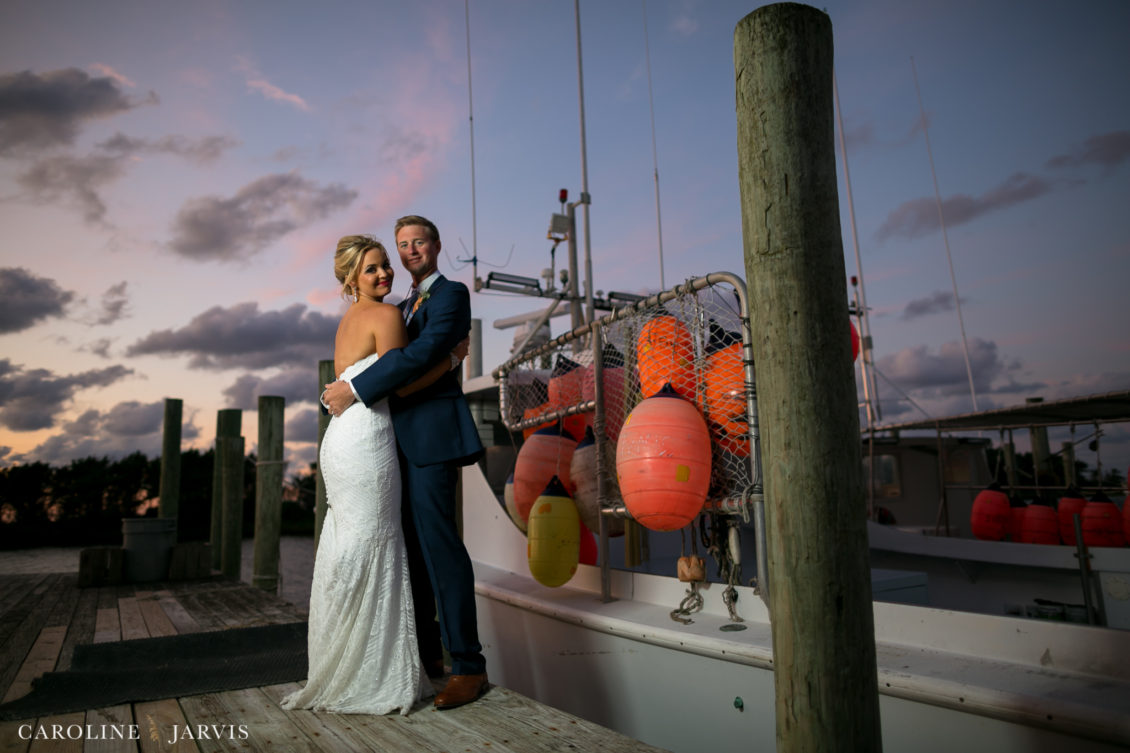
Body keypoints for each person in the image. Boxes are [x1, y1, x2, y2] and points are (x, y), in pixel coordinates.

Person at [281, 234, 461, 715]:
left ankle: (343, 661)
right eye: (372, 270)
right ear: (350, 278)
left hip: (341, 441)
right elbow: (400, 383)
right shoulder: (385, 316)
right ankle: (372, 671)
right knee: (378, 543)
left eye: (386, 267)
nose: (384, 275)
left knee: (349, 543)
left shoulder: (347, 321)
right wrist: (451, 359)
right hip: (369, 442)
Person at [322, 215, 487, 710]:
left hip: (430, 440)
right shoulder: (398, 306)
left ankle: (468, 666)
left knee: (440, 548)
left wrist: (355, 388)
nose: (410, 251)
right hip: (389, 442)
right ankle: (426, 654)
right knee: (409, 552)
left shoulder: (450, 295)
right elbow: (403, 361)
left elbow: (422, 355)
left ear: (435, 246)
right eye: (402, 245)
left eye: (417, 242)